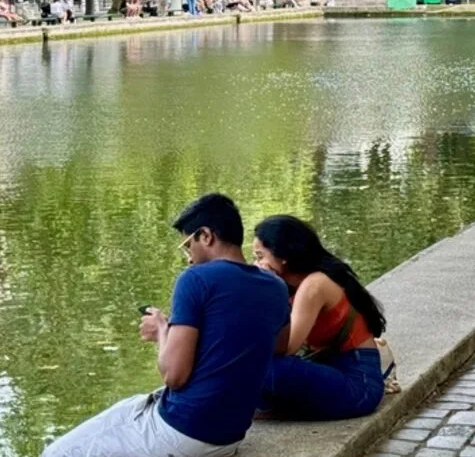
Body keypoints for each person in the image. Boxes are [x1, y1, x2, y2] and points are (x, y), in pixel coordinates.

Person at [42, 194, 290, 457]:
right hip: (230, 436)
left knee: (57, 453)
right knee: (130, 406)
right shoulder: (276, 286)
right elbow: (280, 346)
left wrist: (162, 331)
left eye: (187, 245)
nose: (189, 258)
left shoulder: (195, 279)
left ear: (206, 236)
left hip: (184, 433)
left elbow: (174, 376)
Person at [252, 216, 389, 420]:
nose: (257, 264)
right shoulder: (293, 286)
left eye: (260, 256)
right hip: (329, 369)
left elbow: (287, 347)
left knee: (266, 371)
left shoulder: (315, 285)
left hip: (359, 383)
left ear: (283, 255)